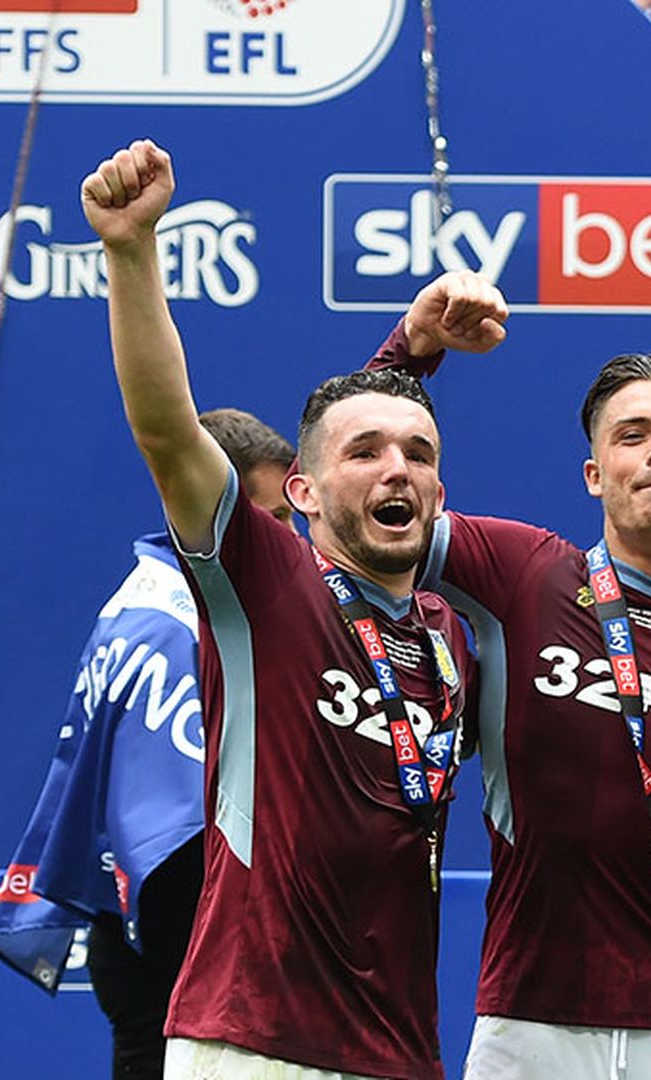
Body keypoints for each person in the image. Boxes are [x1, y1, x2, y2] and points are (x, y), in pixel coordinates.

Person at [82, 139, 491, 1080]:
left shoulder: (450, 638)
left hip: (401, 1052)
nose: (399, 470)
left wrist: (409, 356)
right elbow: (167, 431)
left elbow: (361, 432)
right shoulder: (263, 587)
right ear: (298, 495)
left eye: (421, 456)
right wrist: (132, 250)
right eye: (369, 456)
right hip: (251, 1042)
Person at [369, 293, 651, 1079]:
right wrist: (411, 351)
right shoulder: (522, 575)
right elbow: (356, 500)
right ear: (595, 473)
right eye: (633, 436)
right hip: (529, 1023)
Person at [0, 409, 294, 1080]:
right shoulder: (177, 625)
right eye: (276, 519)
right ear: (215, 508)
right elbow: (174, 839)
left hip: (134, 942)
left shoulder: (148, 592)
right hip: (178, 955)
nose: (294, 538)